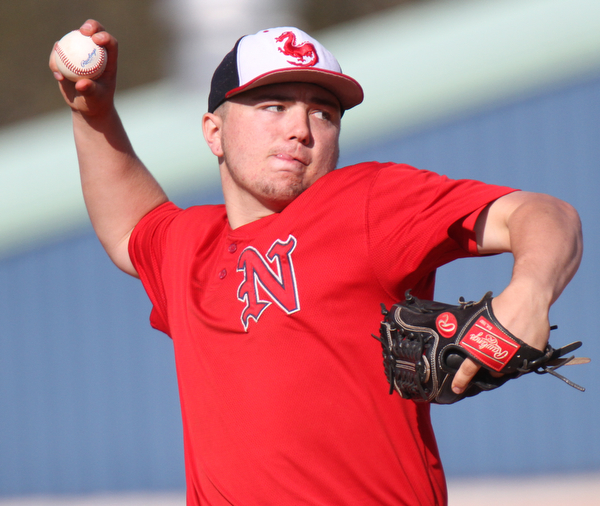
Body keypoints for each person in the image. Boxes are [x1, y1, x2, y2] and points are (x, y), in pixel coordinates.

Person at [50, 20, 582, 506]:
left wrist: (530, 290)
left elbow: (540, 213)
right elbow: (128, 226)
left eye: (322, 113)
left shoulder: (368, 201)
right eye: (274, 106)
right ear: (214, 131)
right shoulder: (188, 246)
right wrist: (93, 113)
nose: (301, 129)